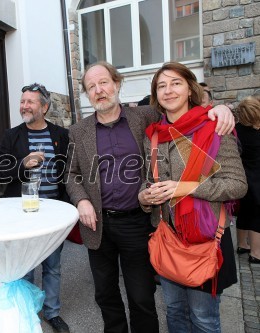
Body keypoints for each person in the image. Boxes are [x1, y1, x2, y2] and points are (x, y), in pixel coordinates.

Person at [65, 61, 235, 333]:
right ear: (87, 94)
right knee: (105, 295)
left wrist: (219, 108)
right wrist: (81, 200)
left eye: (104, 82)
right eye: (91, 87)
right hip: (98, 225)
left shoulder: (144, 116)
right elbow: (71, 174)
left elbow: (184, 110)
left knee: (142, 296)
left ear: (117, 84)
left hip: (138, 221)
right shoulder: (78, 131)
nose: (99, 90)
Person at [139, 61, 247, 332]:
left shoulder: (213, 127)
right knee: (174, 313)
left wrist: (187, 187)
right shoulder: (153, 137)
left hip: (205, 240)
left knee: (203, 319)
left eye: (176, 83)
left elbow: (237, 185)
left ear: (190, 89)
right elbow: (148, 181)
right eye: (161, 85)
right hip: (168, 240)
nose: (168, 90)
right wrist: (145, 197)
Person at [0, 83, 70, 333]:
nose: (24, 106)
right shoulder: (12, 136)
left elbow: (69, 172)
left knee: (52, 265)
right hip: (22, 214)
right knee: (24, 268)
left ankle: (52, 312)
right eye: (22, 101)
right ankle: (26, 312)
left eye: (31, 102)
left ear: (45, 107)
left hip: (53, 213)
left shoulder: (60, 135)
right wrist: (23, 164)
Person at [235, 93, 260, 264]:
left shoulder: (236, 131)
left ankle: (242, 245)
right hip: (257, 179)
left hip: (242, 179)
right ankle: (256, 253)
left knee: (243, 213)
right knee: (257, 217)